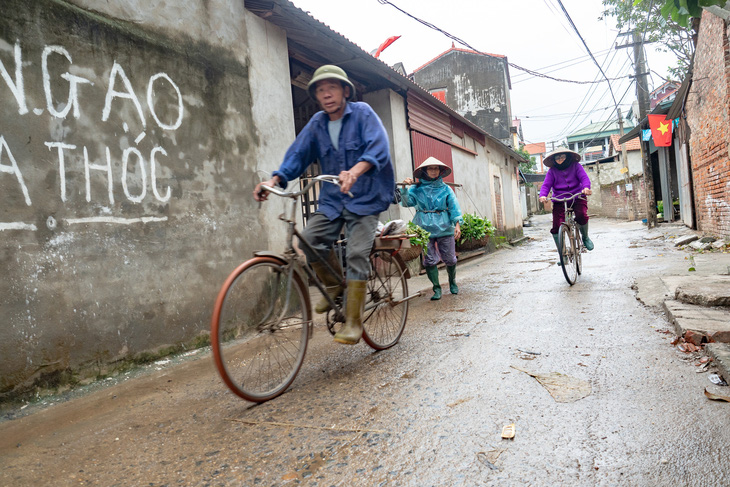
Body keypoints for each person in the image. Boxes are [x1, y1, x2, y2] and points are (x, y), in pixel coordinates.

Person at [254, 65, 395, 345]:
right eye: (320, 90)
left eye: (331, 87)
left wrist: (355, 171)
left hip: (365, 197)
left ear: (345, 91)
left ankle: (354, 323)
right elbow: (298, 154)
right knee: (308, 241)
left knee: (356, 253)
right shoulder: (318, 123)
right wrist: (274, 180)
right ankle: (334, 286)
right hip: (333, 199)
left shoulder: (363, 114)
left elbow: (378, 147)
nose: (326, 94)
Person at [399, 157, 463, 300]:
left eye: (436, 168)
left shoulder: (446, 188)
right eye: (430, 168)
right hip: (423, 227)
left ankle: (452, 282)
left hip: (444, 226)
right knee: (429, 260)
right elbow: (406, 203)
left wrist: (457, 224)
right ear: (424, 171)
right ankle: (436, 288)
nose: (433, 171)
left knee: (450, 258)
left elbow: (454, 207)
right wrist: (404, 188)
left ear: (440, 171)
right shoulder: (416, 188)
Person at [538, 149, 594, 258]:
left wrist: (586, 188)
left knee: (581, 215)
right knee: (556, 226)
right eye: (557, 158)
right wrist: (543, 195)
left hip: (577, 196)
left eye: (562, 157)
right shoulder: (552, 171)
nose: (560, 160)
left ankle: (585, 237)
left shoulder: (576, 166)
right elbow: (546, 185)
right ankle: (562, 253)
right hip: (560, 199)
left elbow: (584, 178)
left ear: (567, 157)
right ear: (554, 160)